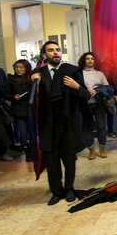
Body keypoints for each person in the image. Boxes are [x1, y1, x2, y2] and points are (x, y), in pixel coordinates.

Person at [30, 41, 90, 205]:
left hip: (68, 123)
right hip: (48, 125)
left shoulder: (71, 70)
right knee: (51, 160)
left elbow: (86, 95)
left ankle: (69, 189)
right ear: (44, 55)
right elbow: (32, 100)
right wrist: (32, 82)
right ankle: (56, 191)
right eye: (51, 50)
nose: (55, 53)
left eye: (57, 50)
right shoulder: (38, 74)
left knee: (69, 159)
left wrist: (76, 86)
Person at [78, 52, 111, 160]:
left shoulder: (100, 74)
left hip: (98, 104)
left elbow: (108, 88)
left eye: (92, 58)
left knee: (101, 126)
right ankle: (91, 149)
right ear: (84, 60)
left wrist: (96, 90)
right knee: (87, 128)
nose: (90, 60)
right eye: (87, 58)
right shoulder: (79, 74)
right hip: (84, 105)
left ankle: (102, 148)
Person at [6, 60, 34, 162]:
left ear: (26, 68)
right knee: (23, 132)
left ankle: (33, 151)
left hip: (31, 109)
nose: (18, 69)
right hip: (19, 109)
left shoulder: (32, 79)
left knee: (32, 132)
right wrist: (14, 97)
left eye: (21, 67)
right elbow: (6, 94)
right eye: (17, 67)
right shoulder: (11, 80)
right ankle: (27, 153)